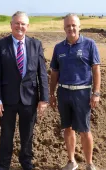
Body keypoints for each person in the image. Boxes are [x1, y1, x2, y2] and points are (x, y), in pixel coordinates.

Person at [0, 11, 49, 170]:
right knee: (6, 135)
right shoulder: (0, 45)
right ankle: (3, 164)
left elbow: (42, 73)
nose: (19, 26)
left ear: (27, 26)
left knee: (28, 135)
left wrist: (44, 99)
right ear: (11, 25)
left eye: (23, 24)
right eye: (16, 23)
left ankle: (26, 163)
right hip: (7, 100)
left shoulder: (35, 44)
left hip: (30, 99)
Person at [50, 13, 101, 170]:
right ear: (64, 27)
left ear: (79, 26)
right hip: (64, 92)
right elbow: (54, 73)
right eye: (68, 25)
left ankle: (89, 164)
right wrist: (51, 93)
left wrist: (96, 93)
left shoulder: (90, 44)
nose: (71, 28)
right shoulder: (59, 47)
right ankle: (72, 161)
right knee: (67, 128)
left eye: (74, 25)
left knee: (85, 130)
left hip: (82, 93)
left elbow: (96, 70)